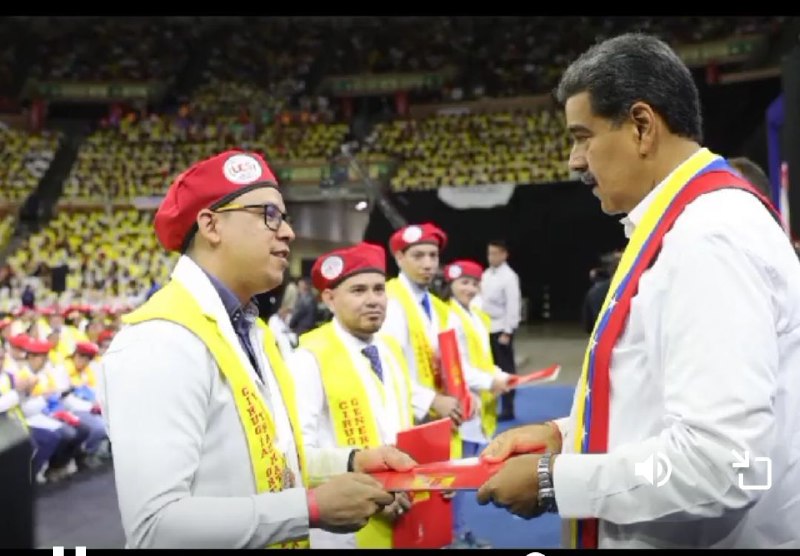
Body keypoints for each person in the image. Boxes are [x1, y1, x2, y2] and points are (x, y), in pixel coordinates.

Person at [475, 33, 800, 549]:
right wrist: (566, 434)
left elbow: (727, 464)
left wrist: (553, 480)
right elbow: (655, 401)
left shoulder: (708, 238)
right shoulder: (685, 227)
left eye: (582, 136)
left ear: (643, 127)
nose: (574, 161)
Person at [98, 150, 415, 549]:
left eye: (284, 218)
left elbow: (272, 464)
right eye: (268, 215)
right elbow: (155, 527)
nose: (287, 232)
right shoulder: (161, 340)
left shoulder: (258, 334)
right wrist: (310, 509)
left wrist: (350, 461)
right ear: (211, 226)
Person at [292, 242, 414, 548]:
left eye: (378, 289)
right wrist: (370, 487)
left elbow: (399, 430)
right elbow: (297, 458)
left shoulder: (389, 351)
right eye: (358, 291)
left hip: (401, 515)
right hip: (345, 529)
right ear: (330, 299)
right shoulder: (309, 358)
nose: (373, 300)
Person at [441, 259, 512, 548]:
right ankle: (451, 534)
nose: (469, 288)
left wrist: (501, 376)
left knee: (463, 475)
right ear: (450, 285)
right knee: (455, 477)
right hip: (460, 408)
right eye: (463, 283)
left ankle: (459, 529)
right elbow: (455, 364)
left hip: (476, 405)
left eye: (473, 283)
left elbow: (481, 360)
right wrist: (488, 381)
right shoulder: (449, 317)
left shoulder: (475, 316)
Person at [480, 240, 521, 421]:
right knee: (489, 370)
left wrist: (508, 330)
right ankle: (490, 405)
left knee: (506, 369)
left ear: (504, 254)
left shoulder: (509, 277)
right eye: (490, 253)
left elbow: (513, 305)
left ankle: (508, 408)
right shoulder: (486, 274)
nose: (492, 257)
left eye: (496, 253)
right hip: (485, 327)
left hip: (501, 328)